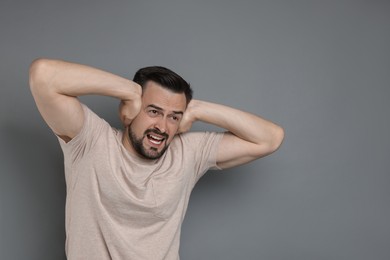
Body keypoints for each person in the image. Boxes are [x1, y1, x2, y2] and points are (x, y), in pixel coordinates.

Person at [29, 58, 284, 260]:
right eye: (154, 111)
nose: (162, 127)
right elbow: (43, 75)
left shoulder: (187, 154)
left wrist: (198, 109)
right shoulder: (90, 141)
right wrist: (128, 91)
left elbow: (270, 138)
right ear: (128, 111)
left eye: (174, 116)